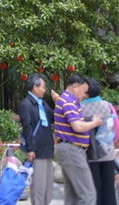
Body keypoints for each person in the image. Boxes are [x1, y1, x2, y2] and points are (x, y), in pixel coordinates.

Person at [53, 73, 102, 205]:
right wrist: (94, 123)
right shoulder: (68, 102)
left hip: (69, 150)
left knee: (73, 195)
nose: (84, 95)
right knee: (88, 194)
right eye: (84, 91)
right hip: (72, 151)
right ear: (75, 87)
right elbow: (77, 126)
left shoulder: (67, 100)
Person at [18, 73, 54, 205]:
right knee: (38, 185)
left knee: (47, 184)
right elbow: (27, 128)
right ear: (35, 87)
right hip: (37, 150)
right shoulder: (26, 105)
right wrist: (30, 149)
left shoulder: (43, 104)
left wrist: (59, 103)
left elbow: (53, 118)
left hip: (47, 148)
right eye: (43, 87)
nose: (45, 90)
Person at [80, 77, 117, 205]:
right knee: (108, 185)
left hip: (90, 153)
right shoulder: (107, 105)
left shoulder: (80, 107)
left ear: (86, 92)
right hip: (107, 151)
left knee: (94, 186)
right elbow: (115, 127)